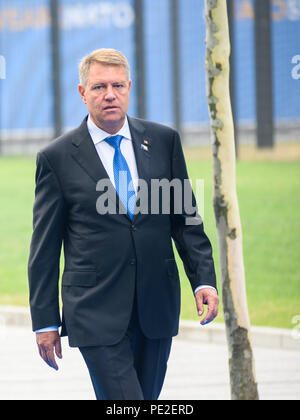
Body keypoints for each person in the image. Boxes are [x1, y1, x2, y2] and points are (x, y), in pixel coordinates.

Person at [28, 48, 219, 400]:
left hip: (156, 306)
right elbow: (44, 249)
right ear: (83, 93)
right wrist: (45, 321)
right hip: (94, 311)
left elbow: (185, 221)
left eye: (117, 85)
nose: (110, 94)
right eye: (99, 87)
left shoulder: (163, 142)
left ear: (129, 87)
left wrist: (203, 279)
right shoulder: (56, 159)